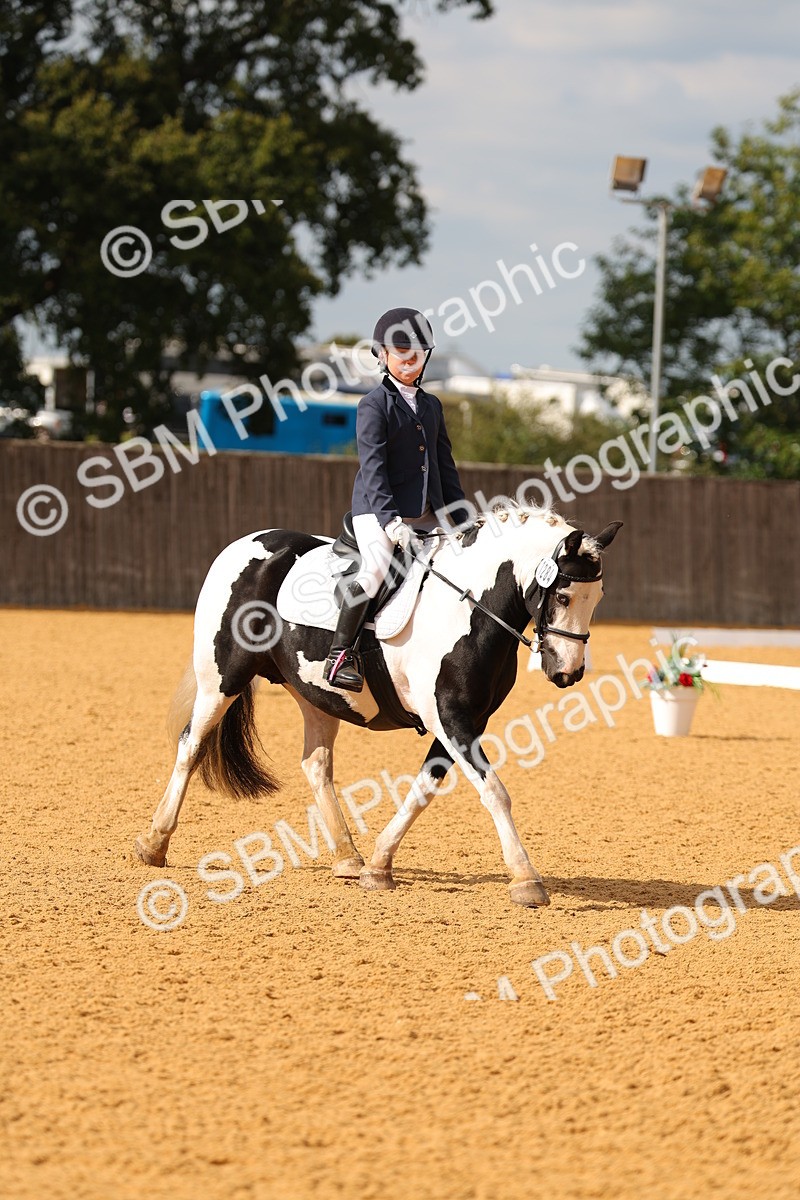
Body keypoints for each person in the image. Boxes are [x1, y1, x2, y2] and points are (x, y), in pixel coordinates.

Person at [323, 307, 469, 691]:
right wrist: (390, 521)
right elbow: (373, 468)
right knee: (374, 570)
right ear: (382, 355)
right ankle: (340, 655)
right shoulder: (373, 404)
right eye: (400, 351)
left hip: (426, 515)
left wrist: (463, 518)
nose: (409, 359)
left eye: (417, 353)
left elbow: (444, 467)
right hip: (377, 511)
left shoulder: (432, 405)